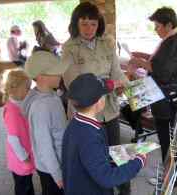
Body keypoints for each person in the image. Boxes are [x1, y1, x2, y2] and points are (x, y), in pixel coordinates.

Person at [61, 3, 130, 193]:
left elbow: (117, 72)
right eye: (84, 24)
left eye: (93, 24)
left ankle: (125, 190)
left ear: (99, 24)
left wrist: (124, 86)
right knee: (95, 159)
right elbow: (73, 85)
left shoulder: (107, 42)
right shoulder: (69, 48)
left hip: (110, 111)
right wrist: (107, 85)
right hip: (86, 115)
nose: (89, 29)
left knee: (119, 155)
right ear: (76, 24)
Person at [128, 7, 177, 182]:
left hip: (166, 96)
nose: (155, 30)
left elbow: (162, 71)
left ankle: (170, 177)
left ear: (169, 24)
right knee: (173, 136)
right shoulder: (173, 39)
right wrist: (143, 60)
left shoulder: (175, 42)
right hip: (164, 92)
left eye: (157, 26)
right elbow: (161, 61)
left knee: (167, 137)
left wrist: (138, 62)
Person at [62, 73, 147, 195]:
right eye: (104, 95)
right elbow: (107, 178)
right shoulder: (89, 136)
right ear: (98, 103)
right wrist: (139, 161)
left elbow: (90, 155)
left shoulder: (76, 124)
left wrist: (120, 153)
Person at [22, 51, 68, 195]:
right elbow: (44, 146)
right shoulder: (41, 106)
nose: (61, 74)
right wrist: (57, 175)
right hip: (52, 171)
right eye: (56, 72)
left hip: (58, 163)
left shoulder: (50, 95)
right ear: (41, 77)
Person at [0, 68, 35, 195]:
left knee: (26, 185)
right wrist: (25, 158)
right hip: (21, 159)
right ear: (16, 88)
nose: (29, 91)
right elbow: (13, 139)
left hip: (21, 158)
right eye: (27, 88)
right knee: (23, 188)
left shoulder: (16, 105)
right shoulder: (12, 111)